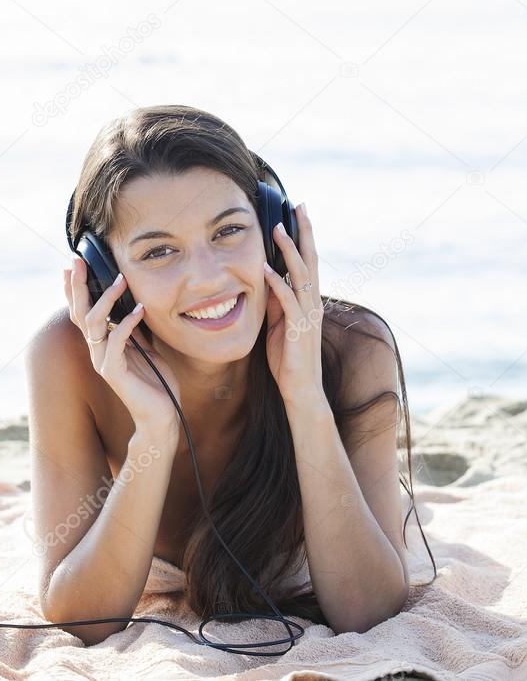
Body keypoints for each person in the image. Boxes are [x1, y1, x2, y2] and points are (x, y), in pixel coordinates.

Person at [25, 104, 426, 647]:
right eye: (159, 251)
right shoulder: (68, 358)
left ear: (274, 229)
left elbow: (367, 609)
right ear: (105, 276)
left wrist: (304, 397)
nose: (208, 279)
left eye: (229, 230)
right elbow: (83, 617)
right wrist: (155, 433)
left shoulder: (352, 348)